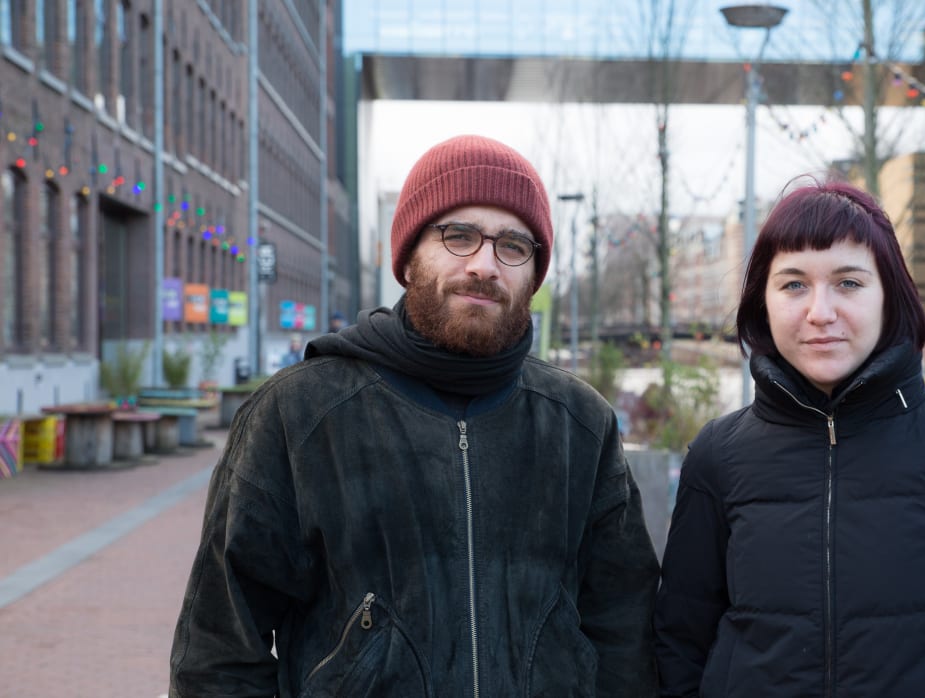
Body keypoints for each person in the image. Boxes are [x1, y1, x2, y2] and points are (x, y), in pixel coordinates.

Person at [170, 135, 660, 697]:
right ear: (407, 256)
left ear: (533, 273)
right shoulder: (299, 414)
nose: (484, 265)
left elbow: (625, 631)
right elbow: (219, 649)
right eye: (458, 235)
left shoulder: (579, 424)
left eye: (513, 246)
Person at [653, 179, 925, 697]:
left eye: (849, 283)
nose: (820, 312)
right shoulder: (717, 457)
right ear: (762, 303)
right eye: (793, 284)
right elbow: (678, 652)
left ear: (890, 298)